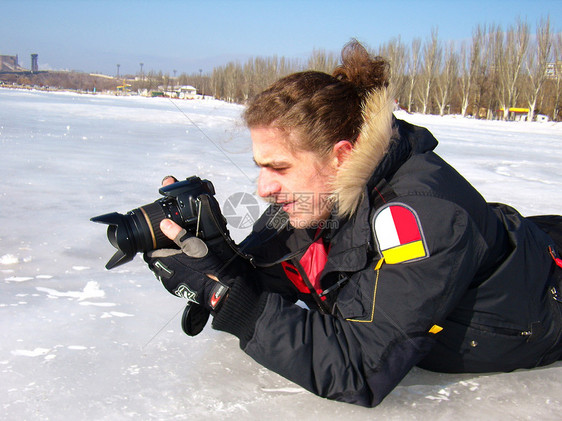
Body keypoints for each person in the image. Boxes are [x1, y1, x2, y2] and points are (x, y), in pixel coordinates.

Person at [144, 40, 562, 407]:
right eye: (260, 167)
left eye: (279, 167)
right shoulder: (313, 196)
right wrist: (217, 258)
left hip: (540, 305)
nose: (263, 188)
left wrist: (226, 298)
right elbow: (266, 275)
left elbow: (359, 367)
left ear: (341, 156)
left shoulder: (424, 221)